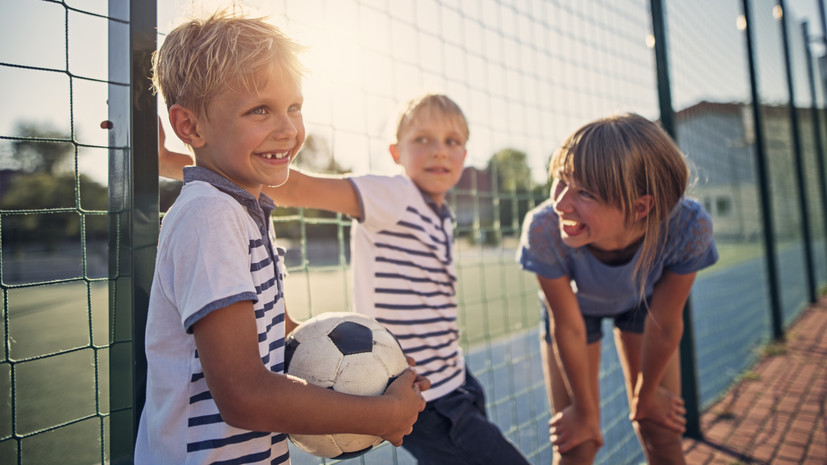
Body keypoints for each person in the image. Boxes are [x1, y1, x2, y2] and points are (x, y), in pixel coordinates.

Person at [159, 93, 531, 464]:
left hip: (455, 376)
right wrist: (168, 161)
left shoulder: (442, 213)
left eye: (452, 142)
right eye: (423, 140)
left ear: (465, 155)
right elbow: (294, 186)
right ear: (396, 153)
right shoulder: (393, 194)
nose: (439, 151)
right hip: (426, 399)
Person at [137, 12, 427, 465]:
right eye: (259, 109)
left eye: (294, 106)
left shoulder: (245, 211)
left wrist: (378, 376)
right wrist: (379, 414)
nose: (288, 129)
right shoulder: (209, 216)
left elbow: (280, 337)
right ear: (190, 127)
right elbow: (243, 393)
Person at [517, 113, 718, 465]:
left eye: (585, 192)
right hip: (574, 314)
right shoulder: (544, 228)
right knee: (576, 445)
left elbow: (666, 323)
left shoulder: (688, 226)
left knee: (661, 431)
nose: (561, 203)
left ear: (641, 207)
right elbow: (567, 325)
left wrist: (649, 393)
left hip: (643, 305)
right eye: (561, 180)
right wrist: (582, 410)